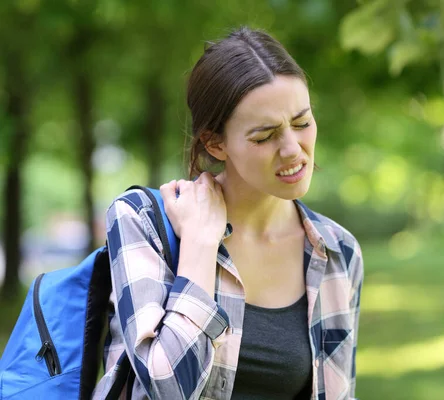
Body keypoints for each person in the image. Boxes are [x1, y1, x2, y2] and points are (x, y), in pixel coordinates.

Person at [92, 26, 363, 400]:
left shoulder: (336, 251)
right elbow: (167, 388)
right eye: (264, 136)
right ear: (215, 143)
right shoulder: (143, 222)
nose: (292, 150)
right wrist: (201, 243)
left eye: (301, 123)